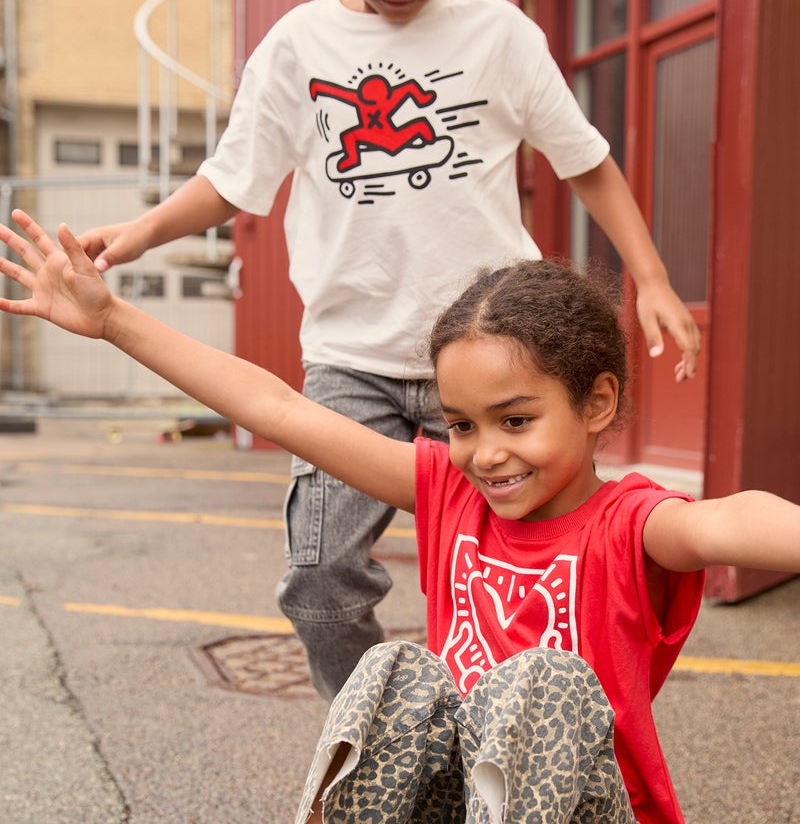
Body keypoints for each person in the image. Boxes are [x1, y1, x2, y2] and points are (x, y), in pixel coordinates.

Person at [74, 0, 701, 702]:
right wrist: (141, 232)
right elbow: (231, 183)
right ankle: (380, 748)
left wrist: (649, 275)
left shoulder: (498, 36)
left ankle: (537, 736)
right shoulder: (297, 47)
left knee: (547, 569)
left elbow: (588, 162)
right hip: (353, 363)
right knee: (321, 584)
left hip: (501, 359)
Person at [0, 211, 797, 824]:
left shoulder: (630, 524)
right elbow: (276, 406)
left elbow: (728, 522)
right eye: (461, 424)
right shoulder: (450, 492)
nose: (485, 453)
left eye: (514, 421)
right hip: (457, 799)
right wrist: (113, 322)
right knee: (395, 673)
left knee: (541, 682)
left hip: (580, 805)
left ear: (597, 402)